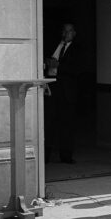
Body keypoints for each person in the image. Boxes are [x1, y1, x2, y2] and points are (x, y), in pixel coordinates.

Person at [45, 23, 82, 164]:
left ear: (74, 33)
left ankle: (66, 156)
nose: (67, 33)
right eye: (65, 31)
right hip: (52, 88)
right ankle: (45, 155)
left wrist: (59, 66)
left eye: (70, 31)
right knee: (49, 123)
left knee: (66, 124)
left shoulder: (77, 49)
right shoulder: (54, 45)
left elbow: (77, 68)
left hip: (67, 91)